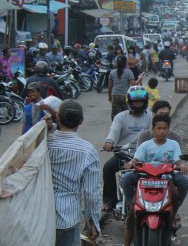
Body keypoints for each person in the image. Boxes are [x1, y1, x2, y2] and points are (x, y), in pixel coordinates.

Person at [120, 114, 188, 245]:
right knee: (126, 178)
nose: (161, 131)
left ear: (168, 129)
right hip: (145, 176)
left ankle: (173, 210)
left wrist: (181, 165)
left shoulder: (173, 144)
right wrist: (132, 163)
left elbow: (178, 160)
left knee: (184, 181)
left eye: (164, 128)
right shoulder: (146, 145)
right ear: (153, 129)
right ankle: (131, 204)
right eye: (158, 128)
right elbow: (136, 158)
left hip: (166, 177)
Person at [48, 99, 101, 246]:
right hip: (67, 217)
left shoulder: (44, 142)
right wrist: (92, 222)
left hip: (40, 214)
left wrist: (49, 127)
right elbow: (91, 193)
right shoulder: (87, 151)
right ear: (81, 121)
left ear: (57, 117)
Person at [101, 86, 152, 212]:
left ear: (145, 102)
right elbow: (113, 131)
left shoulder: (151, 117)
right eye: (135, 101)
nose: (138, 104)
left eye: (141, 101)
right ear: (130, 102)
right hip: (124, 154)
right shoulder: (120, 117)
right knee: (108, 168)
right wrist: (109, 142)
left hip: (145, 156)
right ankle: (110, 201)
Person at [108, 55, 138, 120]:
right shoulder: (129, 72)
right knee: (127, 115)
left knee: (115, 115)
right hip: (125, 96)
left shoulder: (112, 72)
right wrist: (139, 80)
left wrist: (109, 96)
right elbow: (133, 85)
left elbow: (110, 87)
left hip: (115, 96)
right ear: (125, 63)